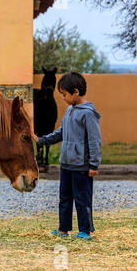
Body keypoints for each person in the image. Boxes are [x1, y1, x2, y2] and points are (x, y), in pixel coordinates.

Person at [32, 72, 101, 240]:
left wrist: (93, 165)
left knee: (82, 199)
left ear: (76, 92)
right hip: (67, 164)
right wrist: (41, 140)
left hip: (82, 166)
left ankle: (85, 231)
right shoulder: (69, 110)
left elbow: (94, 140)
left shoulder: (88, 113)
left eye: (65, 94)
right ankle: (63, 229)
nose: (63, 98)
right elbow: (61, 132)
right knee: (64, 198)